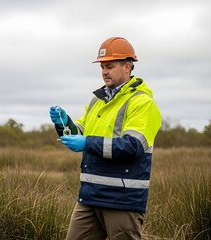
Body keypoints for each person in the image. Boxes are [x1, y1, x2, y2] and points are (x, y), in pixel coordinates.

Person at [49, 36, 162, 240]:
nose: (104, 71)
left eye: (109, 66)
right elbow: (79, 133)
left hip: (122, 201)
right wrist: (63, 123)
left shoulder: (143, 104)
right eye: (102, 67)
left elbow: (132, 146)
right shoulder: (96, 101)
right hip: (89, 197)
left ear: (127, 67)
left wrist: (87, 143)